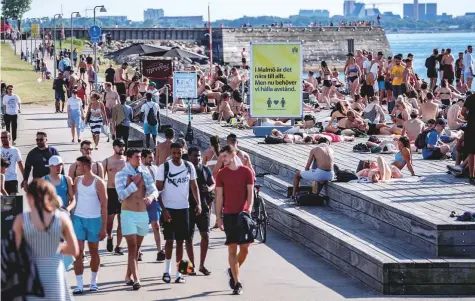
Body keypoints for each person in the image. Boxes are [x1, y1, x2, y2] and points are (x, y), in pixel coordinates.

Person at [12, 180, 79, 301]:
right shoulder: (61, 217)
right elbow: (74, 250)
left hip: (31, 276)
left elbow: (15, 252)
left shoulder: (21, 220)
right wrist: (55, 246)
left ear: (29, 196)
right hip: (54, 272)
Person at [156, 143, 201, 284]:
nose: (176, 155)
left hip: (184, 208)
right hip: (168, 208)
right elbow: (157, 191)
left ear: (183, 152)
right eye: (174, 153)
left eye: (179, 153)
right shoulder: (164, 167)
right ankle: (166, 271)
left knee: (181, 241)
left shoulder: (189, 166)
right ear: (171, 152)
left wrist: (198, 203)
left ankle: (179, 273)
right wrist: (163, 210)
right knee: (169, 240)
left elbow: (194, 186)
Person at [115, 148, 159, 290]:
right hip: (128, 213)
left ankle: (128, 275)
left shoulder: (145, 172)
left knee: (137, 248)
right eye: (136, 157)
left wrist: (151, 197)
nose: (139, 159)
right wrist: (134, 185)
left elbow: (154, 189)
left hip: (142, 214)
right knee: (132, 247)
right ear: (128, 158)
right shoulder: (121, 174)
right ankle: (137, 279)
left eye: (140, 157)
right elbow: (121, 195)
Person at [215, 145, 254, 295]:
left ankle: (231, 270)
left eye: (225, 156)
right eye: (221, 157)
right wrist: (218, 217)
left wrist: (249, 209)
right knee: (232, 248)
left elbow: (250, 193)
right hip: (229, 214)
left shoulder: (246, 171)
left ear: (233, 155)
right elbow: (219, 196)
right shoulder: (221, 174)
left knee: (245, 248)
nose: (223, 159)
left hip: (243, 214)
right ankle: (237, 283)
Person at [71, 156, 108, 294]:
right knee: (78, 252)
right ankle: (79, 285)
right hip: (79, 219)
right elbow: (73, 198)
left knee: (93, 251)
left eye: (78, 165)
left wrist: (104, 228)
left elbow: (104, 206)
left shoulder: (99, 183)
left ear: (85, 166)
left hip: (94, 220)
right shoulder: (77, 180)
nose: (77, 168)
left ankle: (93, 282)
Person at [185, 147, 215, 276]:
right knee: (188, 238)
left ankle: (202, 265)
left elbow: (213, 183)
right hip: (187, 207)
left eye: (198, 156)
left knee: (205, 235)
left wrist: (209, 189)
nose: (197, 158)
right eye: (194, 156)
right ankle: (190, 266)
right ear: (189, 157)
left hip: (203, 206)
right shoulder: (184, 170)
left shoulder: (205, 169)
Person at [140, 149, 166, 262]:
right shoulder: (139, 170)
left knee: (156, 224)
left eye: (153, 157)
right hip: (142, 201)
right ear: (143, 158)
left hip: (154, 200)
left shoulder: (155, 169)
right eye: (150, 157)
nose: (152, 159)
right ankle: (138, 251)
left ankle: (160, 251)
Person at [102, 139, 127, 255]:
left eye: (123, 146)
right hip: (111, 192)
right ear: (114, 147)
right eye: (119, 146)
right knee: (110, 221)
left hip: (123, 192)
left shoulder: (127, 161)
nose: (122, 148)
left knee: (122, 220)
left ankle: (118, 245)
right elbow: (101, 180)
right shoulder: (106, 161)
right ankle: (109, 236)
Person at [1, 131, 24, 195]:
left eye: (5, 137)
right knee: (3, 202)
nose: (3, 139)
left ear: (10, 138)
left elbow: (20, 165)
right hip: (1, 179)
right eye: (1, 137)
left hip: (12, 179)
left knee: (12, 201)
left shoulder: (15, 150)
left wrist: (25, 179)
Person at [461, 94, 475, 184]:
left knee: (471, 152)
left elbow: (462, 112)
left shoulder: (470, 98)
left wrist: (468, 118)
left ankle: (471, 175)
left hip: (471, 126)